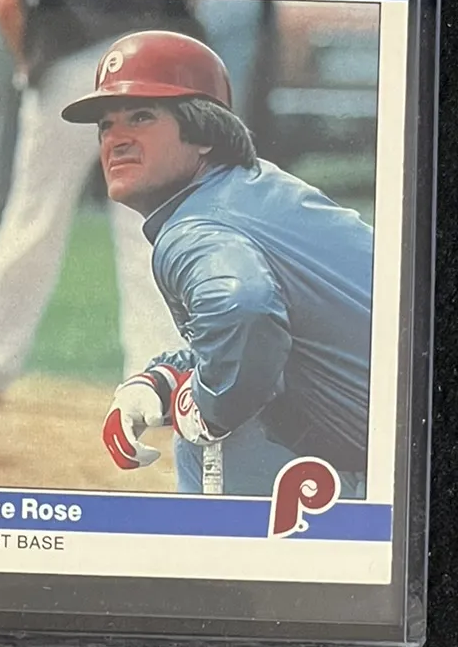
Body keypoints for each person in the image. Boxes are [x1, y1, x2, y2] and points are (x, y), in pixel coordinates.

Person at [72, 30, 375, 499]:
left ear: (205, 135)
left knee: (209, 431)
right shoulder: (258, 191)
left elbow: (243, 306)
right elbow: (264, 334)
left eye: (141, 117)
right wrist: (163, 380)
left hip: (391, 474)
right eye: (105, 125)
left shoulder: (192, 228)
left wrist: (207, 410)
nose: (116, 140)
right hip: (405, 434)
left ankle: (219, 546)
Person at [0, 0, 198, 400]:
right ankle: (155, 382)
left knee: (33, 222)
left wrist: (26, 63)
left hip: (67, 59)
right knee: (149, 231)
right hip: (155, 62)